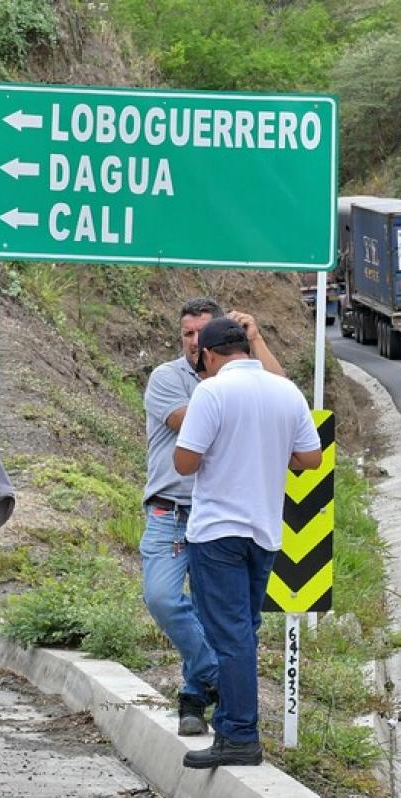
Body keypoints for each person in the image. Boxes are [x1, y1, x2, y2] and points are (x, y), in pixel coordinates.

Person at [173, 318, 321, 768]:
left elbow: (184, 462)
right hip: (265, 533)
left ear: (210, 355)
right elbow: (310, 459)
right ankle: (237, 728)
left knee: (230, 636)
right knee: (243, 631)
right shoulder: (285, 391)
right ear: (246, 349)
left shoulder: (211, 393)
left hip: (217, 532)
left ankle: (238, 735)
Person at [142, 298, 285, 736]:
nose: (193, 341)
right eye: (186, 333)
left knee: (220, 615)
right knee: (163, 598)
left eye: (202, 333)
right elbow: (196, 425)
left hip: (224, 513)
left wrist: (255, 342)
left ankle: (194, 698)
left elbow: (284, 398)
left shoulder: (242, 381)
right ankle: (220, 677)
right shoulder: (168, 378)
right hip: (173, 511)